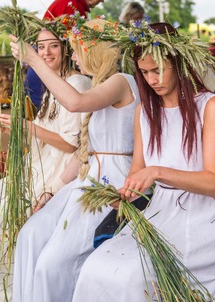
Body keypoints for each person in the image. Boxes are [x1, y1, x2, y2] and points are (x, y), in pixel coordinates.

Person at [72, 22, 215, 301]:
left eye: (157, 70)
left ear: (178, 62)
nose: (151, 79)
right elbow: (138, 173)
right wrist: (124, 195)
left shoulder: (210, 106)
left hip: (204, 217)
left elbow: (214, 183)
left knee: (131, 275)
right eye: (144, 72)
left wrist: (157, 172)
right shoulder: (145, 114)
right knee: (95, 266)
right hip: (161, 212)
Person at [0, 27, 92, 301]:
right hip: (39, 163)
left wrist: (26, 127)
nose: (46, 52)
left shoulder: (78, 85)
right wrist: (15, 129)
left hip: (60, 169)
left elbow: (71, 144)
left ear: (65, 48)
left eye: (52, 46)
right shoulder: (53, 84)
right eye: (40, 48)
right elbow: (41, 129)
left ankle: (7, 284)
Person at [9, 18, 140, 302]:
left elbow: (75, 103)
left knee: (52, 264)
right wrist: (51, 190)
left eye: (78, 50)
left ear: (96, 51)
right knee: (29, 236)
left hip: (112, 183)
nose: (75, 56)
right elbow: (84, 153)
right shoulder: (98, 84)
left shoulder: (121, 82)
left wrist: (33, 58)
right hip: (86, 178)